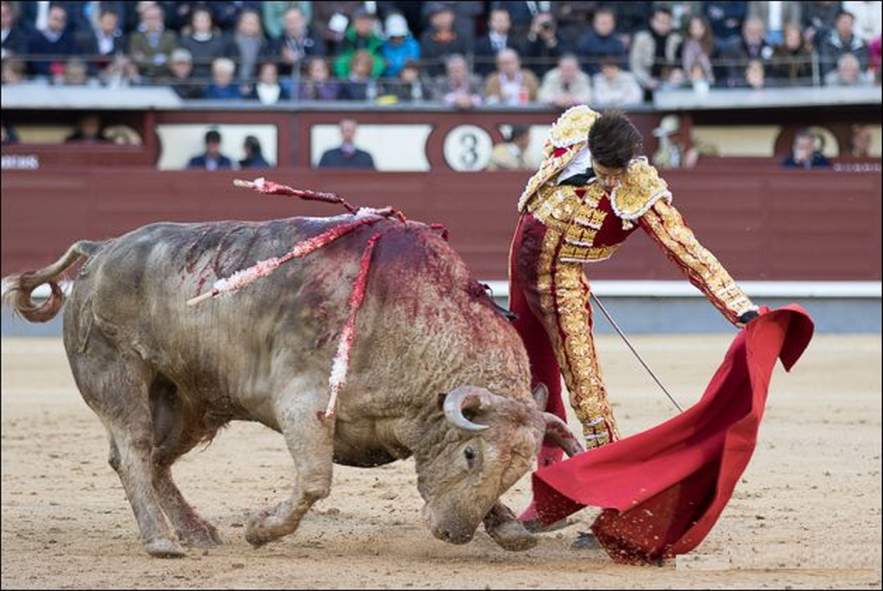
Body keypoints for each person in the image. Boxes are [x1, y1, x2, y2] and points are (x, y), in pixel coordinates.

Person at [508, 107, 759, 493]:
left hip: (562, 281)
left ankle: (614, 491)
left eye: (616, 174)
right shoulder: (574, 132)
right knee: (530, 376)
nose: (610, 183)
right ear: (589, 148)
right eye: (604, 172)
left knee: (587, 391)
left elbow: (684, 247)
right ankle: (546, 477)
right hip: (520, 267)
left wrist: (738, 305)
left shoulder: (639, 185)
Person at [629, 7, 683, 96]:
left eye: (667, 22)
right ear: (652, 21)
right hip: (644, 81)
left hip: (670, 82)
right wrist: (647, 80)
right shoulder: (641, 39)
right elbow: (635, 66)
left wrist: (677, 74)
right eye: (660, 21)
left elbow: (680, 64)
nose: (663, 24)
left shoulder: (677, 40)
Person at [269, 6, 324, 78]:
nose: (293, 25)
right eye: (289, 21)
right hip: (287, 80)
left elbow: (320, 56)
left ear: (303, 20)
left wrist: (299, 59)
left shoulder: (314, 36)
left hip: (310, 79)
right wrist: (282, 58)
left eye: (295, 20)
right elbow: (271, 62)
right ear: (284, 24)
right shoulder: (278, 41)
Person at [179, 7, 233, 81]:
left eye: (205, 20)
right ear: (193, 22)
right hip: (190, 81)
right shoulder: (185, 41)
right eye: (198, 20)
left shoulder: (219, 42)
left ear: (210, 22)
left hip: (214, 81)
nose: (202, 23)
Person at [26, 3, 79, 77]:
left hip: (64, 79)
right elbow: (33, 63)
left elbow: (73, 61)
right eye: (55, 18)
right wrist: (51, 71)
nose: (58, 22)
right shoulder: (35, 39)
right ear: (48, 17)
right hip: (38, 80)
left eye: (62, 19)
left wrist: (62, 71)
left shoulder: (70, 40)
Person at [720, 16, 774, 87]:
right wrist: (748, 77)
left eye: (757, 31)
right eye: (750, 31)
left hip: (765, 87)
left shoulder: (770, 48)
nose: (754, 34)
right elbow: (731, 72)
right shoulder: (732, 48)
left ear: (763, 32)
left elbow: (773, 72)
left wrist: (761, 77)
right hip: (740, 89)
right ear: (744, 31)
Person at [419, 3, 470, 78]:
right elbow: (426, 63)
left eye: (444, 14)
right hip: (435, 79)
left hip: (459, 78)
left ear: (452, 15)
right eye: (436, 15)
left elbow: (467, 58)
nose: (441, 18)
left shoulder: (462, 36)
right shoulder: (426, 38)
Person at [128, 3, 177, 80]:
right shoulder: (136, 37)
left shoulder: (170, 36)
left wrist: (145, 59)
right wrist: (157, 60)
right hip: (143, 77)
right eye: (149, 18)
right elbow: (136, 59)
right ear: (143, 19)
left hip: (165, 77)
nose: (152, 21)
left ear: (161, 18)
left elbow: (173, 58)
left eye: (155, 18)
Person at [333, 8, 384, 79]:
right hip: (349, 71)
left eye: (367, 22)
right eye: (361, 21)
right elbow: (339, 59)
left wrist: (367, 60)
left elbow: (380, 60)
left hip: (370, 71)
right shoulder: (346, 37)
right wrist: (354, 61)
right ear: (354, 23)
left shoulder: (376, 38)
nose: (364, 25)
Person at [819, 10, 869, 76]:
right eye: (844, 22)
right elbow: (826, 66)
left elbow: (864, 65)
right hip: (836, 76)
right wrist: (842, 71)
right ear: (837, 23)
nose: (846, 25)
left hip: (856, 77)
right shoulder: (827, 42)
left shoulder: (861, 43)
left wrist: (852, 72)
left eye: (849, 23)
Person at [576, 8, 626, 75]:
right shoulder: (585, 42)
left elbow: (622, 65)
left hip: (613, 78)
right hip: (591, 78)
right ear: (595, 23)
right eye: (602, 23)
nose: (605, 26)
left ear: (613, 24)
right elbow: (582, 66)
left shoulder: (618, 42)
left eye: (608, 23)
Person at [474, 7, 518, 76]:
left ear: (509, 23)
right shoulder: (480, 43)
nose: (501, 23)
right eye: (498, 20)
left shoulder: (515, 42)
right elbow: (476, 66)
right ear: (489, 23)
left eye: (504, 20)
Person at [521, 11, 566, 78]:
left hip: (555, 76)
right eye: (540, 24)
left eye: (547, 23)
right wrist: (533, 35)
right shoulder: (529, 37)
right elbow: (524, 58)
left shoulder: (561, 37)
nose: (544, 27)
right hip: (532, 75)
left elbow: (563, 58)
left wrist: (551, 40)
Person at [231, 9, 266, 84]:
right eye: (247, 22)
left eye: (253, 23)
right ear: (239, 24)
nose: (250, 25)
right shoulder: (231, 43)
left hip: (256, 84)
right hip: (234, 83)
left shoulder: (264, 45)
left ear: (259, 26)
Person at [380, 13, 419, 78]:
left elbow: (413, 63)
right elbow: (382, 66)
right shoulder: (383, 47)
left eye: (400, 36)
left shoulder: (412, 45)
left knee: (410, 73)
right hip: (388, 80)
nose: (397, 40)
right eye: (393, 37)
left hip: (407, 80)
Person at [681, 15, 716, 85]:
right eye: (694, 27)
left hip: (710, 79)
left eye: (700, 27)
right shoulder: (686, 45)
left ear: (705, 28)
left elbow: (716, 66)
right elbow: (685, 64)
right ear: (689, 29)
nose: (697, 30)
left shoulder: (713, 45)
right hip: (690, 78)